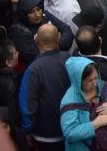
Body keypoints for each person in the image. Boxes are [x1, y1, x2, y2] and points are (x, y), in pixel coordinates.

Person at [18, 23, 71, 151]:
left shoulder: (34, 69)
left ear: (36, 40)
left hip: (45, 134)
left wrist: (27, 130)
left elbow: (28, 103)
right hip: (70, 127)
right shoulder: (69, 60)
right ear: (58, 38)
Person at [59, 57, 107, 151]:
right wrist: (95, 124)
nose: (95, 83)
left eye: (96, 77)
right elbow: (70, 133)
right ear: (78, 80)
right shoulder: (69, 101)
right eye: (89, 80)